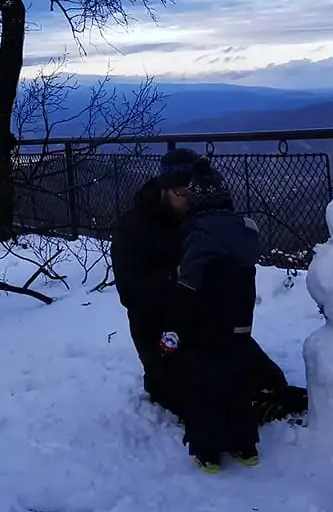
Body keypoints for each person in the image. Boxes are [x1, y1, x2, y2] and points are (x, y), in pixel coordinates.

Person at [108, 148, 305, 429]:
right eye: (183, 195)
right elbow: (131, 294)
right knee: (198, 398)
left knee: (270, 382)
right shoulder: (133, 228)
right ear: (166, 189)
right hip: (160, 331)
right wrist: (177, 276)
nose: (190, 202)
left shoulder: (202, 217)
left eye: (194, 195)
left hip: (207, 324)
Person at [173, 160, 266, 473]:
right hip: (240, 317)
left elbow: (188, 284)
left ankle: (207, 449)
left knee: (204, 383)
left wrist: (177, 325)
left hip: (206, 323)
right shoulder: (246, 229)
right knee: (237, 377)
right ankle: (245, 444)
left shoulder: (198, 235)